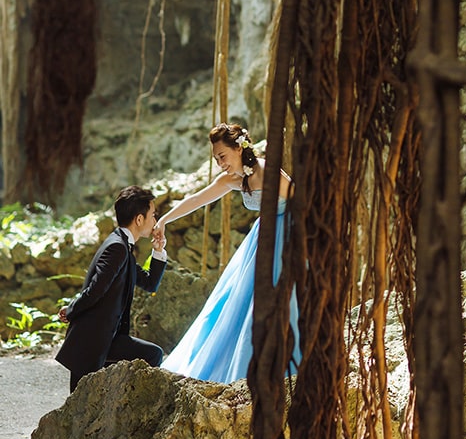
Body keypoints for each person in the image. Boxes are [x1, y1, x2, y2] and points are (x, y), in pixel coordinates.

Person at [157, 122, 300, 384]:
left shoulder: (268, 171)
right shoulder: (233, 179)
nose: (220, 163)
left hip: (288, 237)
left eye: (222, 156)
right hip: (262, 237)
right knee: (237, 304)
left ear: (239, 147)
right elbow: (197, 199)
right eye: (216, 159)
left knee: (281, 302)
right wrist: (164, 220)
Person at [56, 185, 167, 393]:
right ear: (139, 219)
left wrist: (158, 252)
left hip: (109, 338)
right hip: (94, 340)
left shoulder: (122, 246)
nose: (155, 221)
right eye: (153, 215)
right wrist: (71, 310)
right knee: (79, 409)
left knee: (152, 354)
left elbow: (150, 283)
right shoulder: (117, 248)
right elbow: (95, 290)